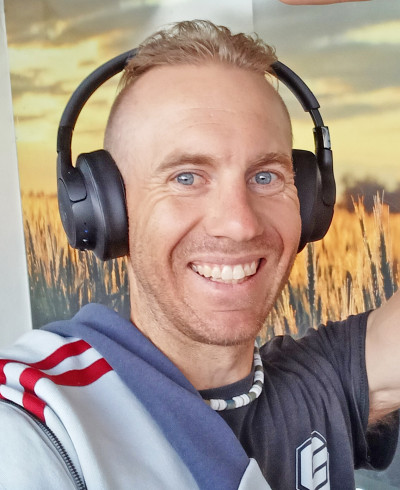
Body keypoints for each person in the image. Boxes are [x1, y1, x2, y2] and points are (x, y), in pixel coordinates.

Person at [1, 20, 399, 490]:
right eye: (186, 178)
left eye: (266, 176)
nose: (240, 224)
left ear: (310, 201)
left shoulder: (319, 381)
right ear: (107, 210)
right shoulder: (44, 417)